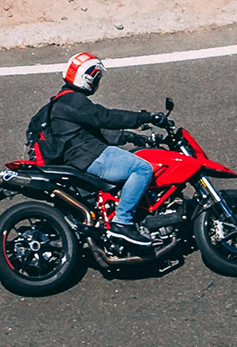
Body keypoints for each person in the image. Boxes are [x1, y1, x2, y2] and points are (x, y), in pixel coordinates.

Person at [37, 52, 166, 250]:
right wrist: (146, 117)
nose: (98, 83)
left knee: (134, 157)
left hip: (82, 155)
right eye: (97, 78)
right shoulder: (73, 101)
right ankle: (122, 223)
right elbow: (105, 118)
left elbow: (104, 132)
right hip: (88, 156)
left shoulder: (63, 102)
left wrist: (140, 138)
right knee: (142, 169)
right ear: (88, 77)